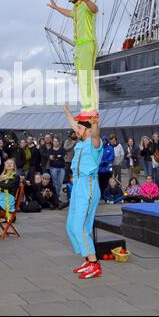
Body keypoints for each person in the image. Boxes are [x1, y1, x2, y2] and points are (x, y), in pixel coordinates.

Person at [48, 0, 99, 120]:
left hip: (88, 44)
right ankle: (86, 109)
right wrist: (57, 8)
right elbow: (69, 13)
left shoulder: (86, 5)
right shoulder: (77, 8)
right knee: (81, 78)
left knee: (87, 77)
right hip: (79, 46)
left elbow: (95, 9)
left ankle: (91, 111)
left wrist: (87, 0)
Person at [64, 105, 103, 280]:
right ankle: (88, 260)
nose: (76, 130)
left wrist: (94, 122)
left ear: (87, 129)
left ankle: (94, 264)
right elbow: (76, 124)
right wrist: (66, 111)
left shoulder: (94, 144)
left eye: (79, 128)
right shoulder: (81, 141)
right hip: (78, 187)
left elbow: (95, 134)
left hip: (88, 186)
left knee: (80, 227)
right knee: (71, 226)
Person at [49, 137, 66, 202]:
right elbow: (51, 158)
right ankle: (56, 197)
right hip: (53, 168)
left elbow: (64, 157)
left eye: (57, 141)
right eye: (54, 141)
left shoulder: (62, 149)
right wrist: (58, 156)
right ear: (52, 142)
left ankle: (57, 196)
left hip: (62, 168)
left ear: (59, 142)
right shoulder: (50, 150)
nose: (55, 142)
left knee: (60, 183)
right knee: (55, 183)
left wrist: (56, 157)